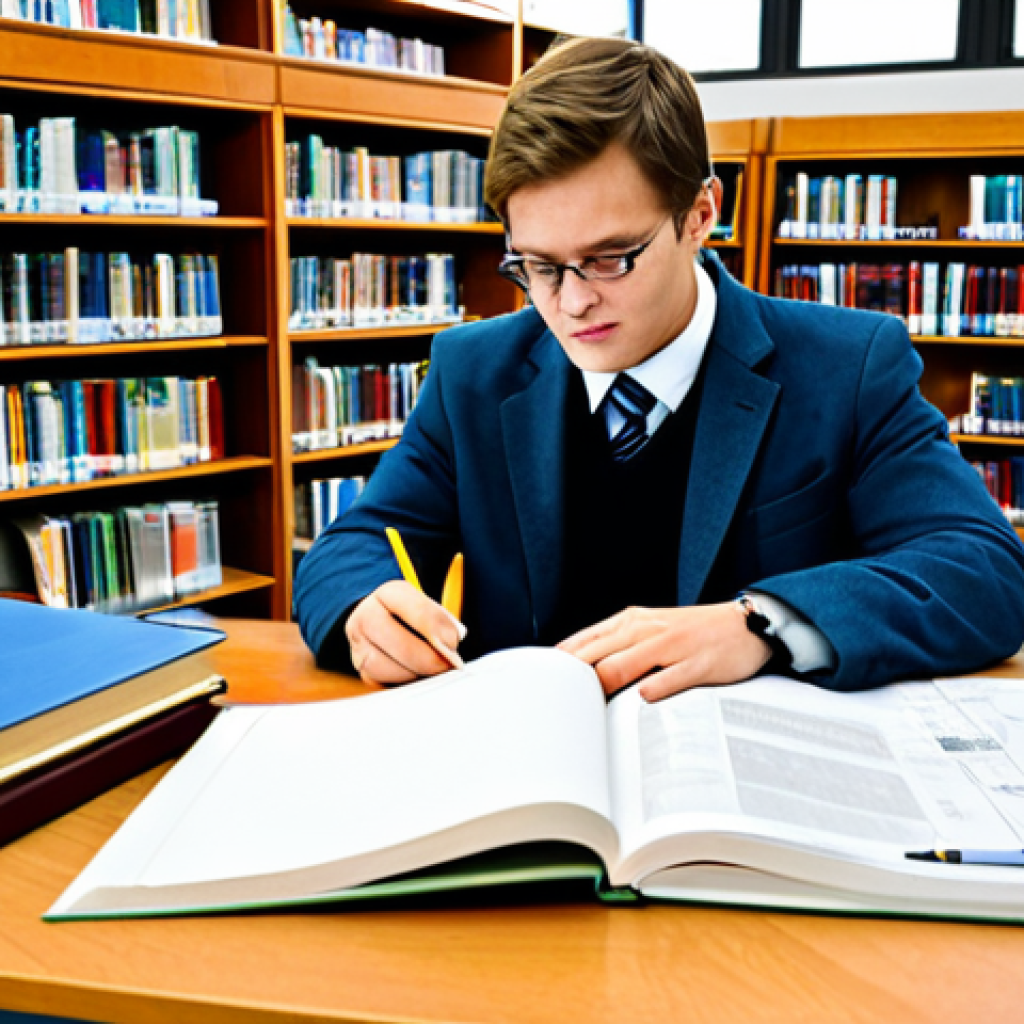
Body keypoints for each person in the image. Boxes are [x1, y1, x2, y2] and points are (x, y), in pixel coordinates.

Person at [293, 36, 1024, 701]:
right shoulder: (473, 372)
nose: (573, 303)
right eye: (540, 265)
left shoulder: (849, 366)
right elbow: (350, 548)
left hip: (748, 792)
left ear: (701, 211)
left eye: (612, 257)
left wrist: (762, 625)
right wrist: (364, 608)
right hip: (531, 780)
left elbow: (984, 571)